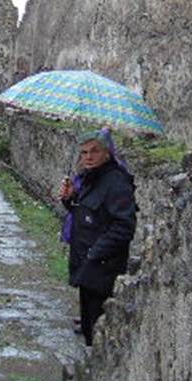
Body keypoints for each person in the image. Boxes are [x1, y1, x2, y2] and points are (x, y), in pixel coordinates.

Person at [58, 128, 136, 345]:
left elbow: (124, 226)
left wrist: (95, 253)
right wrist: (70, 199)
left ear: (107, 153)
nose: (88, 157)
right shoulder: (90, 178)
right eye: (83, 153)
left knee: (97, 330)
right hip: (86, 265)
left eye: (94, 151)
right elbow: (86, 214)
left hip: (102, 268)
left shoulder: (116, 182)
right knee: (87, 325)